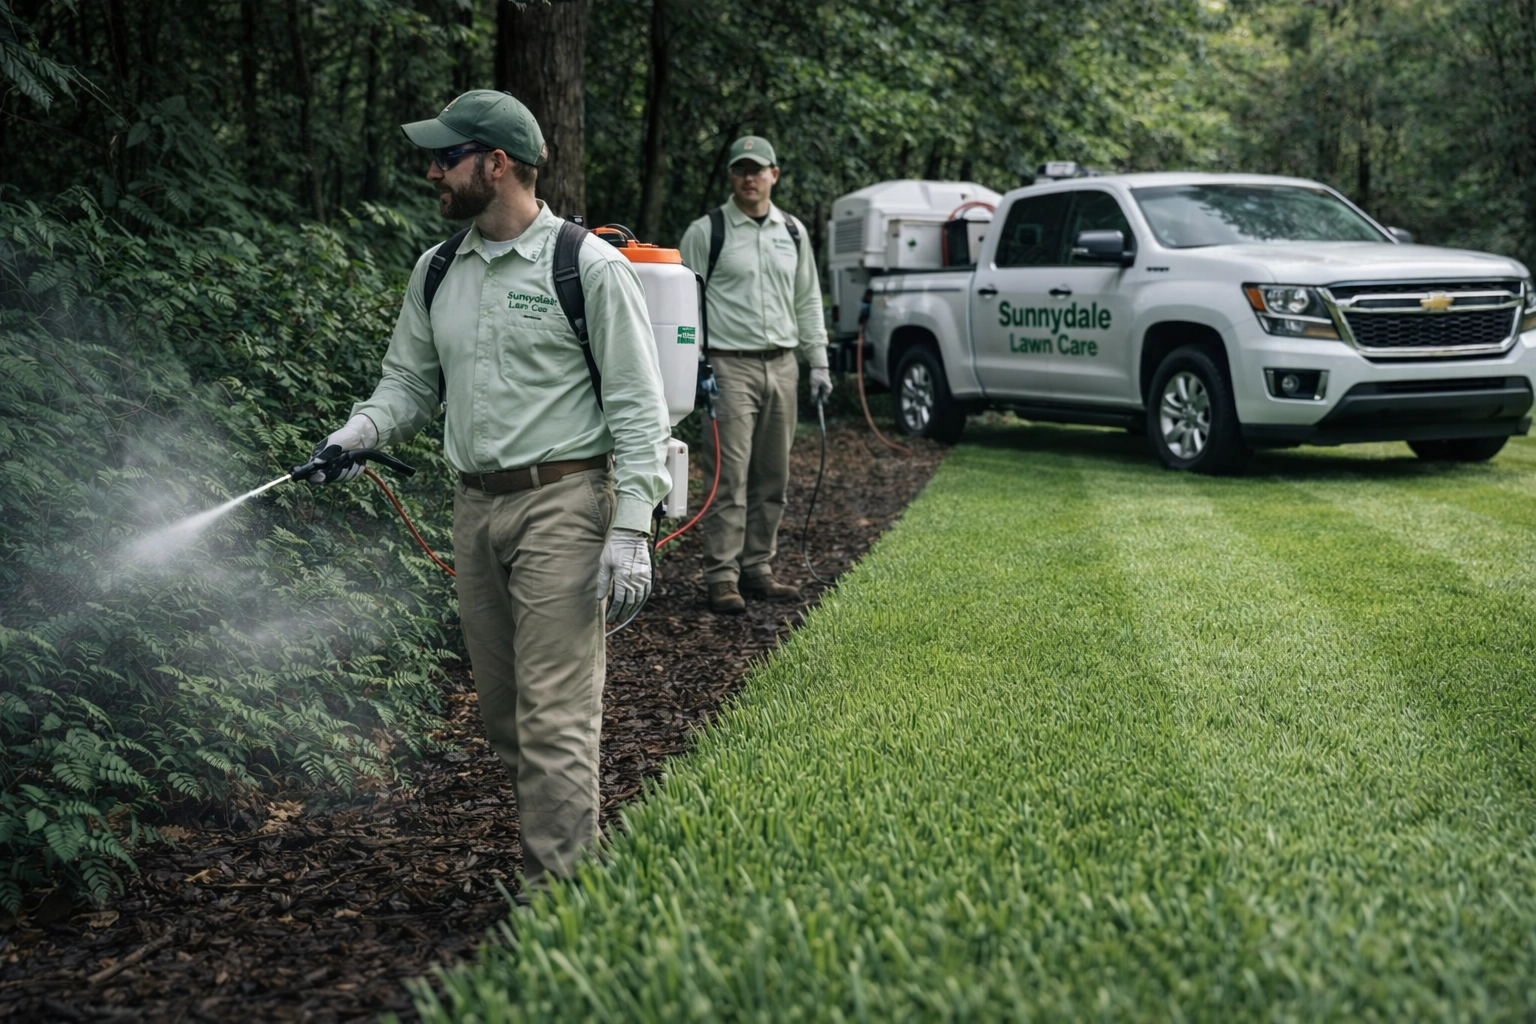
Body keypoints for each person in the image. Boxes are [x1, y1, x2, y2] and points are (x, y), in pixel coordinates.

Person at [308, 89, 671, 896]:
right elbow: (406, 382)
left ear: (496, 164)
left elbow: (640, 407)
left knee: (554, 717)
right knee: (507, 716)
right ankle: (564, 859)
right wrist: (358, 433)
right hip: (473, 510)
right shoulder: (439, 270)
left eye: (446, 157)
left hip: (566, 506)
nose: (432, 171)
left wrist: (632, 530)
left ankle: (558, 900)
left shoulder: (586, 266)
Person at [679, 135, 832, 615]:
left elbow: (807, 297)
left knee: (774, 475)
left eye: (758, 169)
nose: (750, 177)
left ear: (774, 174)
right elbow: (688, 306)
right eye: (741, 169)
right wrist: (693, 366)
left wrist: (819, 360)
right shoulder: (707, 232)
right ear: (731, 176)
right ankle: (722, 576)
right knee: (729, 476)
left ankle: (758, 568)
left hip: (783, 364)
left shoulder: (793, 231)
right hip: (729, 365)